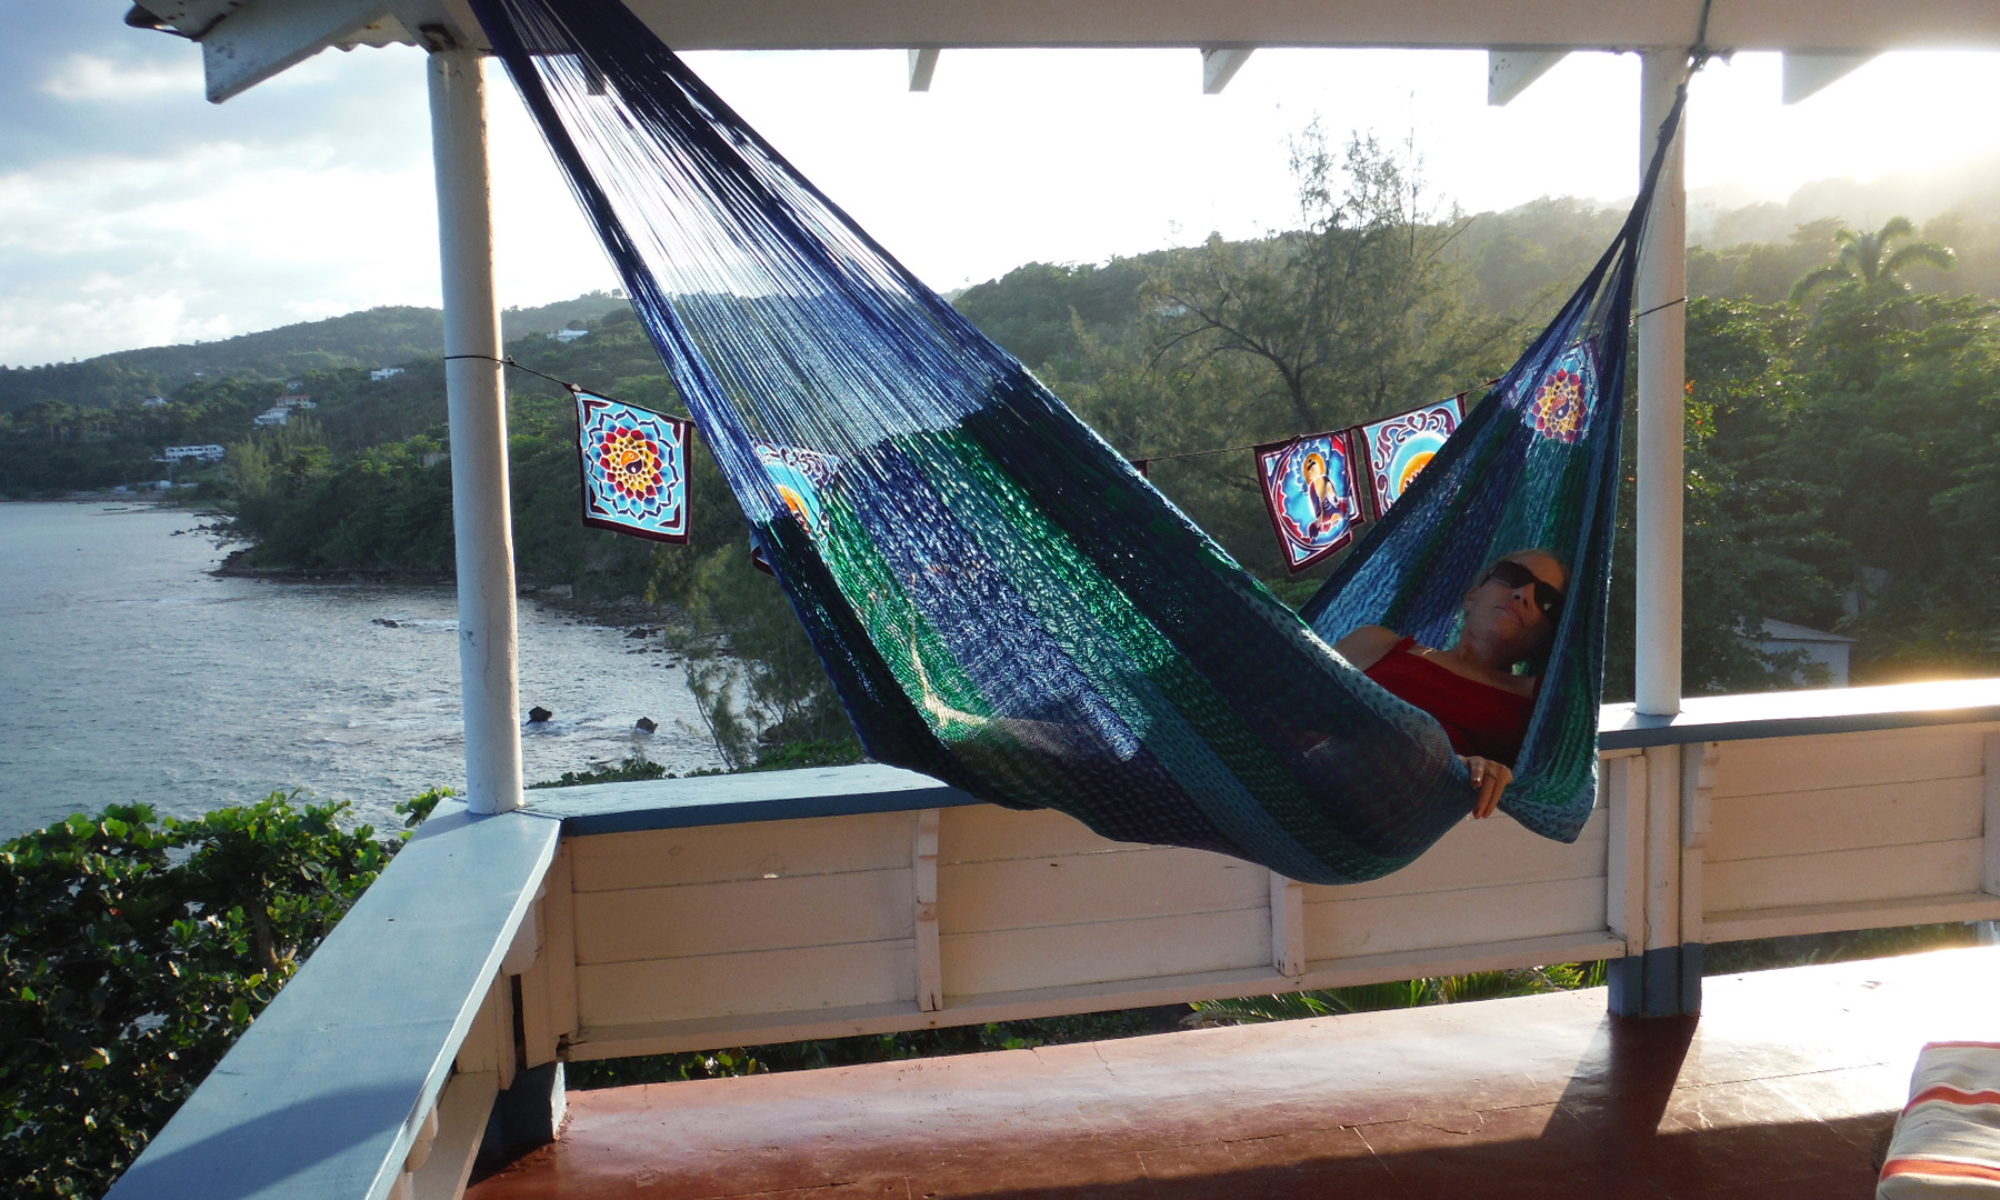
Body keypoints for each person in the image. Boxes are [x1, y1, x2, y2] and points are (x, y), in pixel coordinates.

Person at [1333, 549, 1568, 821]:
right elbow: (1301, 692)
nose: (1523, 594)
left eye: (1546, 600)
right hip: (1313, 769)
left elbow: (1557, 790)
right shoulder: (1376, 643)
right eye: (1513, 575)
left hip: (1388, 813)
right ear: (1472, 596)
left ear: (1547, 637)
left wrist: (1462, 770)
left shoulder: (1542, 702)